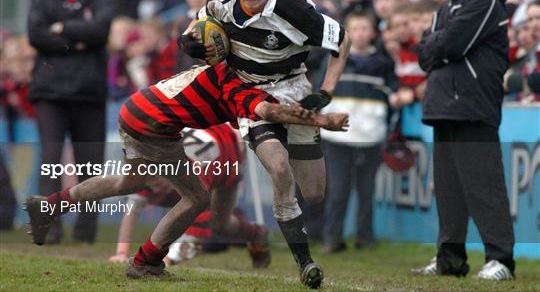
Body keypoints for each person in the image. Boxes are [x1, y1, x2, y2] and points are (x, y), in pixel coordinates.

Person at [25, 61, 349, 280]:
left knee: (131, 181)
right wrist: (323, 120)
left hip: (136, 109)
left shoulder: (220, 67)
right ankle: (145, 263)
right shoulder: (241, 85)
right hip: (159, 128)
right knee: (196, 199)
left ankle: (49, 206)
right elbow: (269, 110)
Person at [178, 0, 351, 289]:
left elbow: (342, 41)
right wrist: (194, 45)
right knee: (278, 167)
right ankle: (305, 263)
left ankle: (299, 231)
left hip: (296, 92)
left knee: (314, 192)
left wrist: (327, 90)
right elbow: (193, 31)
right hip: (252, 97)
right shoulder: (220, 0)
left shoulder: (296, 9)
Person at [412, 0, 515, 280]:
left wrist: (435, 43)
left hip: (473, 105)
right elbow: (425, 53)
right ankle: (450, 259)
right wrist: (435, 44)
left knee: (484, 187)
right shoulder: (447, 5)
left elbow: (452, 44)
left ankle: (501, 259)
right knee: (448, 189)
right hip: (443, 105)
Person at [27, 0, 115, 244]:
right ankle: (48, 229)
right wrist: (77, 39)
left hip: (89, 93)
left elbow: (101, 31)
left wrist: (62, 29)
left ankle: (85, 232)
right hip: (50, 93)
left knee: (91, 166)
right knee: (50, 161)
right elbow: (36, 35)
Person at [108, 123, 272, 268]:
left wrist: (166, 260)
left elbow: (196, 233)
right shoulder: (150, 170)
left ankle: (256, 234)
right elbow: (132, 209)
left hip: (229, 150)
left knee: (220, 223)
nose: (154, 192)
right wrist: (121, 252)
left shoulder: (195, 177)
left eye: (158, 184)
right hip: (207, 141)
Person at [320, 11, 396, 253]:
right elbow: (319, 95)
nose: (361, 33)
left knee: (366, 191)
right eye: (356, 28)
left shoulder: (383, 64)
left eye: (365, 28)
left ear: (373, 33)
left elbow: (392, 97)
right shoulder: (332, 60)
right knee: (338, 190)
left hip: (371, 137)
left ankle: (366, 238)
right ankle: (333, 238)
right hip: (336, 136)